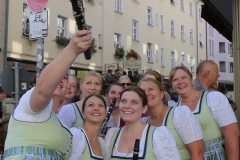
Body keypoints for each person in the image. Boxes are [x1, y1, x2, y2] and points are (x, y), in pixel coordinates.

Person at [3, 30, 92, 159]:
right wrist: (71, 51)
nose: (61, 78)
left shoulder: (59, 120)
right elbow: (42, 90)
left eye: (65, 77)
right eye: (59, 75)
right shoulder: (28, 103)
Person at [169, 65, 239, 159]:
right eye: (175, 80)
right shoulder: (174, 110)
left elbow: (232, 134)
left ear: (192, 80)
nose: (180, 82)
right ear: (172, 85)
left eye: (184, 77)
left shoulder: (212, 98)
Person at [105, 86, 181, 159]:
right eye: (124, 101)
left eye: (134, 102)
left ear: (144, 108)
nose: (127, 106)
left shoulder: (158, 135)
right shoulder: (112, 135)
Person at [138, 78, 204, 160]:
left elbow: (198, 153)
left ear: (162, 94)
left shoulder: (179, 114)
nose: (146, 94)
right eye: (142, 91)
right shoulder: (143, 122)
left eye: (151, 89)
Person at [69, 94, 106, 159]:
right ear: (83, 113)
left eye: (101, 105)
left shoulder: (102, 144)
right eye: (91, 105)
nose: (96, 108)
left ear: (105, 113)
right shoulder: (76, 135)